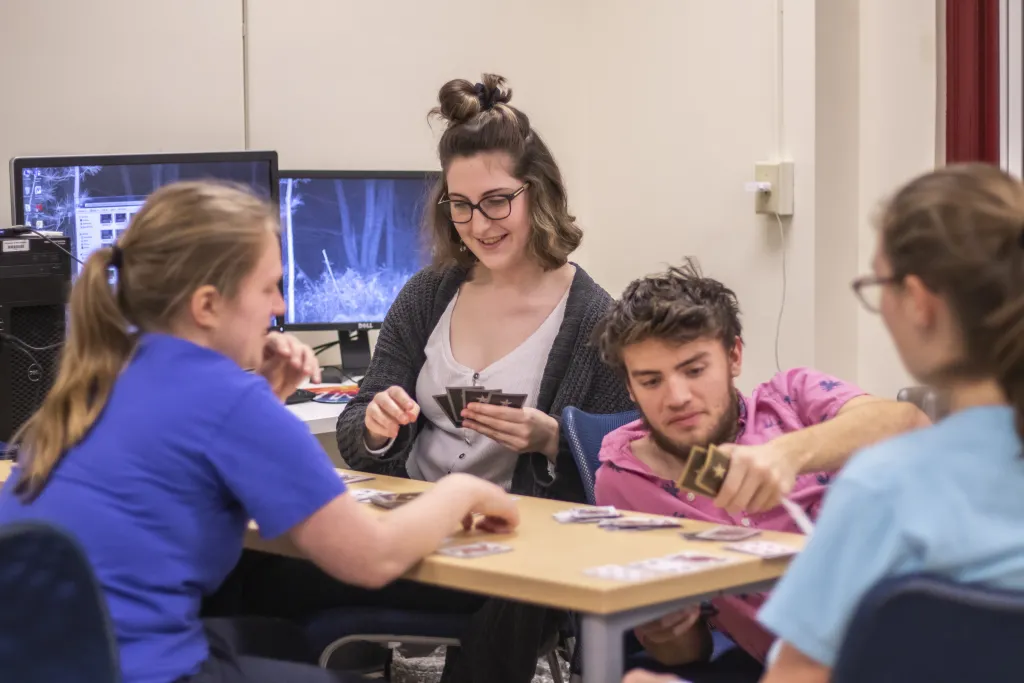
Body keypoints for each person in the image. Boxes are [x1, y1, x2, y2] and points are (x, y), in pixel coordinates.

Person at [0, 181, 519, 683]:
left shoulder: (101, 379)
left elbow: (187, 473)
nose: (280, 308)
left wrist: (264, 399)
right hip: (148, 670)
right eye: (269, 287)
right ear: (206, 306)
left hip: (51, 665)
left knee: (277, 640)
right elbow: (372, 558)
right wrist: (464, 491)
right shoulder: (226, 400)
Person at [213, 74, 634, 683]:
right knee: (255, 571)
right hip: (406, 534)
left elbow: (621, 458)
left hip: (505, 558)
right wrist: (380, 427)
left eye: (496, 201)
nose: (478, 223)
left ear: (536, 191)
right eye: (459, 205)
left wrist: (550, 437)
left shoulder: (595, 318)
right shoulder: (429, 295)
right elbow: (358, 426)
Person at [592, 259, 929, 682]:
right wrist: (663, 630)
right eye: (651, 381)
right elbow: (686, 653)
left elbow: (910, 424)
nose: (677, 397)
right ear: (629, 386)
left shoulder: (792, 398)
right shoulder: (622, 483)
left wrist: (788, 454)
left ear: (733, 355)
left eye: (694, 370)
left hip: (907, 639)